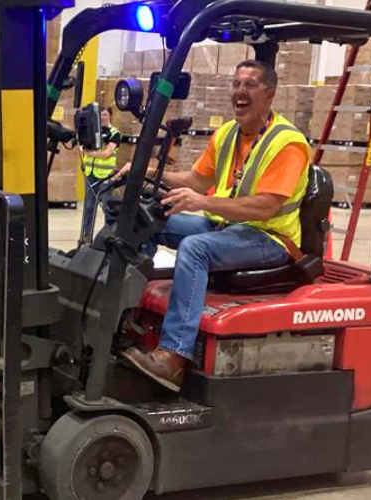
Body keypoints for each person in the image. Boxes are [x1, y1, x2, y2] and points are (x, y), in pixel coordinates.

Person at [118, 60, 310, 391]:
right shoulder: (227, 135)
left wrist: (203, 202)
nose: (239, 92)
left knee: (195, 248)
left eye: (249, 85)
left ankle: (174, 356)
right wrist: (148, 171)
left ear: (270, 94)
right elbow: (195, 178)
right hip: (226, 228)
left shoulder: (287, 143)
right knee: (141, 218)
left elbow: (267, 207)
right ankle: (123, 316)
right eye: (236, 84)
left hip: (269, 238)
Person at [79, 106, 122, 244]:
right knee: (89, 206)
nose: (103, 117)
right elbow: (82, 148)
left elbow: (107, 153)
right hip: (90, 174)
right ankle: (86, 236)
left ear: (110, 116)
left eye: (105, 115)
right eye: (101, 115)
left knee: (107, 206)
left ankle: (109, 235)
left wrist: (90, 153)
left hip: (105, 176)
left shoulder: (114, 133)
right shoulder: (92, 132)